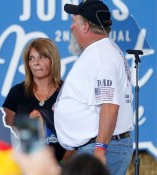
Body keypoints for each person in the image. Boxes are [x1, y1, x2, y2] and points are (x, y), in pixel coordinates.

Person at [54, 0, 134, 174]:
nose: (71, 28)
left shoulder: (100, 55)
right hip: (101, 147)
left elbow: (110, 105)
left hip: (102, 149)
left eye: (74, 22)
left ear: (85, 27)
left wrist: (100, 149)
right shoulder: (103, 51)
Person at [3, 38, 73, 162]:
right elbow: (6, 135)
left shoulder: (68, 91)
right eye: (31, 58)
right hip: (25, 166)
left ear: (53, 60)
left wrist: (62, 166)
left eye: (42, 57)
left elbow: (78, 135)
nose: (36, 63)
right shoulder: (17, 92)